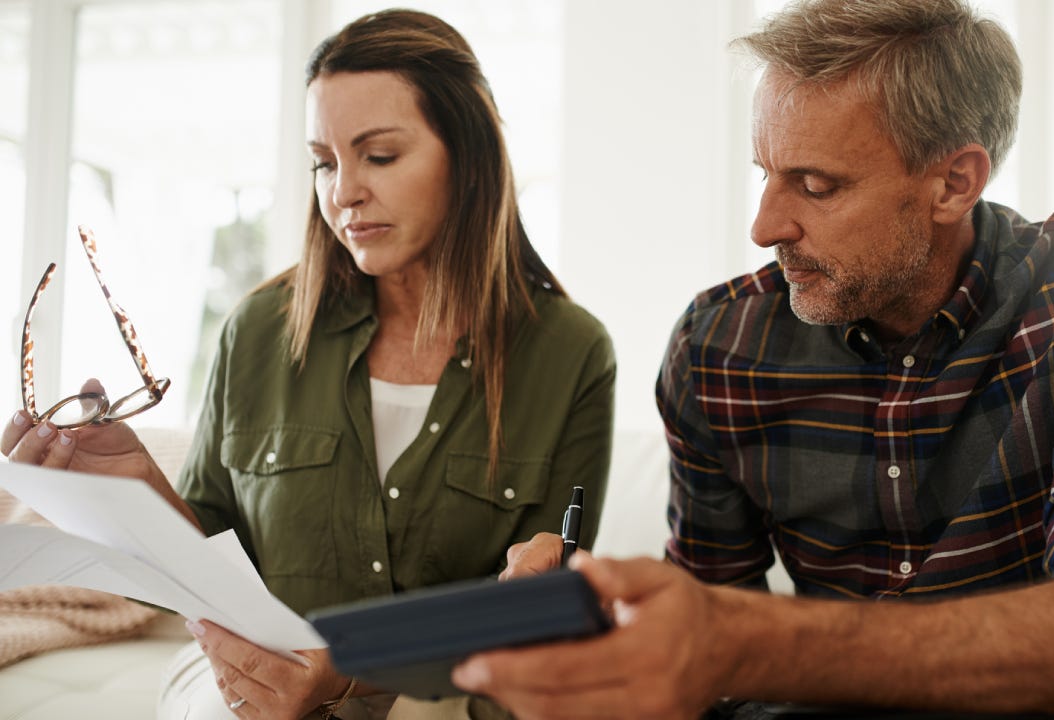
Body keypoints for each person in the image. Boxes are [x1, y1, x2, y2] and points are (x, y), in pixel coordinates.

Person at [437, 1, 1054, 719]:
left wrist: (740, 638)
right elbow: (705, 679)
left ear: (955, 181)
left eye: (814, 185)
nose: (764, 225)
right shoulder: (720, 351)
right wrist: (599, 636)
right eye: (766, 174)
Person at [2, 8, 614, 720]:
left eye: (379, 156)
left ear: (469, 156)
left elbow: (541, 616)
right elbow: (209, 569)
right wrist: (134, 489)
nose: (343, 191)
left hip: (443, 699)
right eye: (324, 162)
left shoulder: (571, 353)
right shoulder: (259, 332)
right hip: (250, 688)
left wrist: (351, 674)